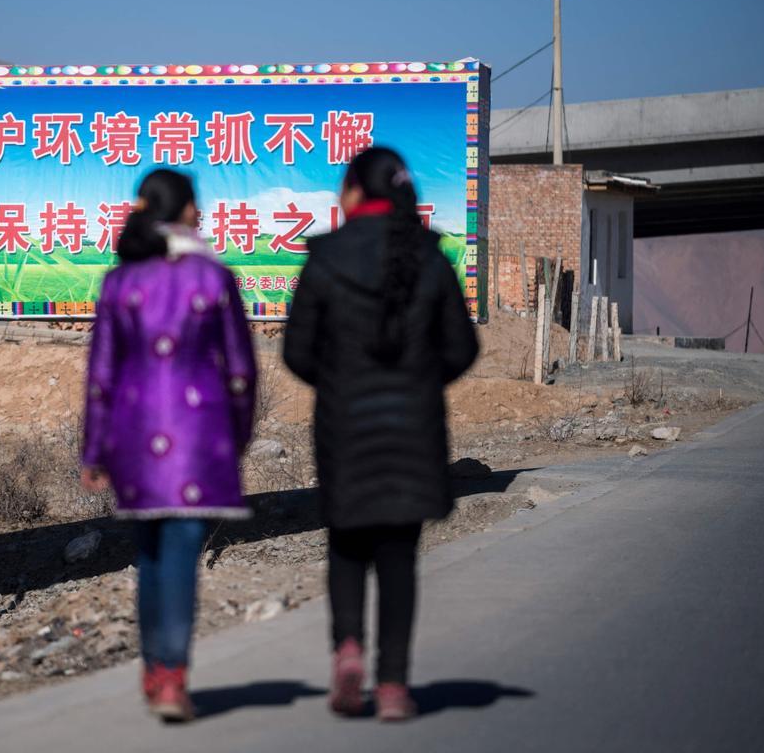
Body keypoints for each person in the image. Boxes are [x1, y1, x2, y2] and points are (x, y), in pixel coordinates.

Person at [282, 147, 479, 721]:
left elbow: (297, 352)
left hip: (346, 429)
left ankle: (348, 651)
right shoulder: (431, 259)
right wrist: (420, 382)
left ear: (352, 194)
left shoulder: (325, 259)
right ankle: (392, 683)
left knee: (346, 544)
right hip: (413, 429)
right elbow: (462, 349)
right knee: (398, 556)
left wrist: (339, 384)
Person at [80, 168, 256, 722]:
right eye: (195, 206)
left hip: (132, 436)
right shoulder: (213, 278)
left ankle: (155, 669)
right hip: (200, 436)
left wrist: (93, 448)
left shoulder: (119, 282)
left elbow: (101, 374)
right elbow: (242, 372)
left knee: (150, 554)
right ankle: (173, 677)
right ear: (186, 213)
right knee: (180, 552)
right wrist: (238, 435)